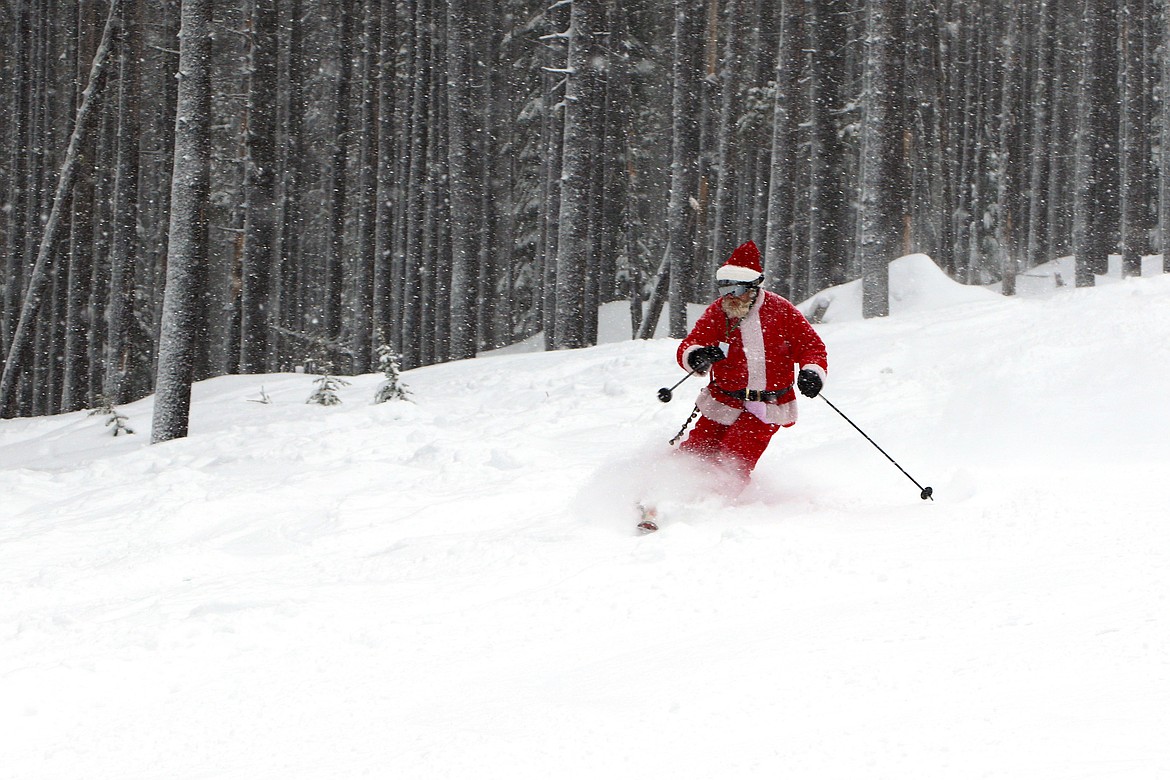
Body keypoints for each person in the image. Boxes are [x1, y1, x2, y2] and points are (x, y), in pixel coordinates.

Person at [675, 239, 828, 485]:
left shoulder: (781, 311)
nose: (729, 297)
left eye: (735, 290)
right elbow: (691, 343)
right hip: (724, 399)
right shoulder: (718, 312)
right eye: (723, 289)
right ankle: (661, 493)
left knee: (731, 461)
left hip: (765, 404)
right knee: (694, 453)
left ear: (754, 286)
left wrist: (811, 372)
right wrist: (697, 356)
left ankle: (708, 507)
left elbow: (812, 347)